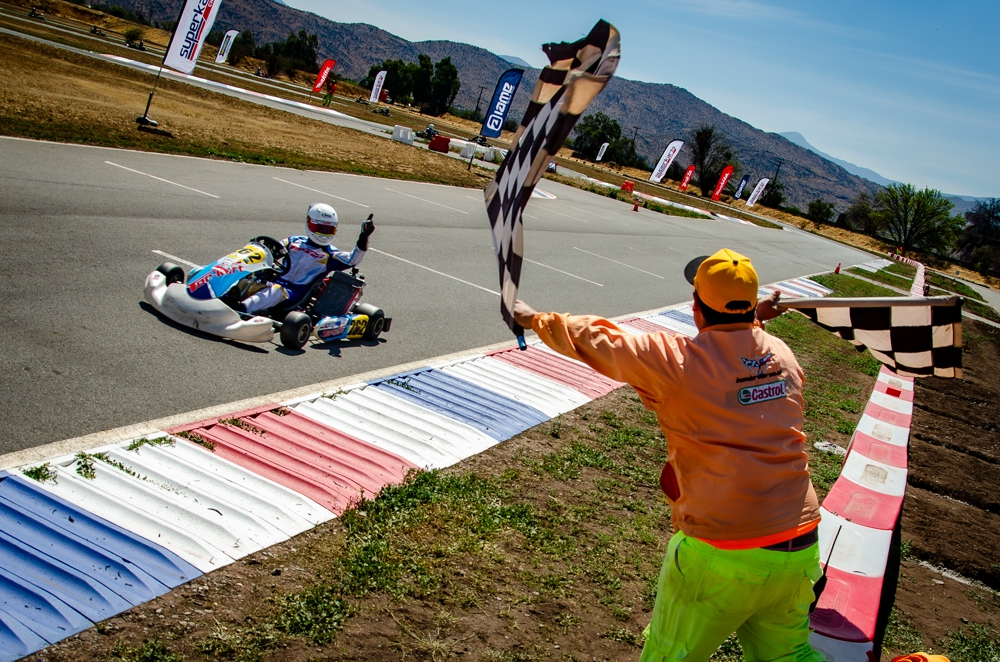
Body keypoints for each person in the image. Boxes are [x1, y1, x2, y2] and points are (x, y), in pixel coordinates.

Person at [512, 248, 825, 662]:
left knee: (670, 655)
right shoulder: (782, 355)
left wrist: (533, 318)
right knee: (789, 656)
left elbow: (600, 339)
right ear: (752, 306)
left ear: (696, 306)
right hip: (799, 543)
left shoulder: (677, 362)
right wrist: (755, 321)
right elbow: (743, 360)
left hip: (724, 550)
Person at [239, 203, 374, 315]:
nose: (324, 233)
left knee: (275, 291)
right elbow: (272, 251)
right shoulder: (293, 241)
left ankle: (241, 311)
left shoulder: (329, 254)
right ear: (310, 224)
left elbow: (352, 260)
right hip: (272, 282)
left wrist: (363, 238)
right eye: (320, 228)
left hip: (292, 294)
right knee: (245, 277)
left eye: (328, 230)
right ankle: (225, 298)